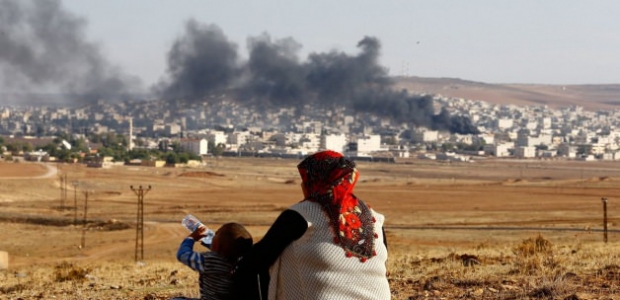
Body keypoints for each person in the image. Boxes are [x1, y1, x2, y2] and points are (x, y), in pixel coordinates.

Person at [234, 150, 390, 300]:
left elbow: (254, 262)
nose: (302, 186)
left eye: (304, 180)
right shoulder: (374, 218)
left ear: (315, 180)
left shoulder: (302, 214)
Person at [177, 222, 255, 300]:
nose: (213, 235)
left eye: (216, 234)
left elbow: (183, 255)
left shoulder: (209, 261)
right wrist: (206, 241)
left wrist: (190, 239)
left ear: (218, 246)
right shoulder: (238, 263)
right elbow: (222, 251)